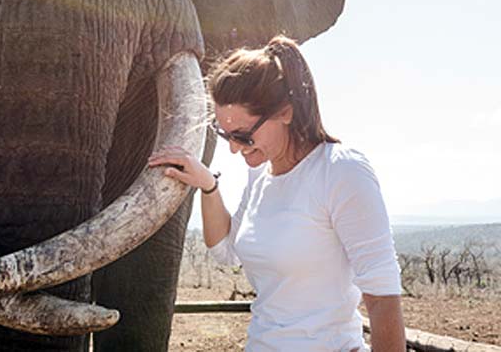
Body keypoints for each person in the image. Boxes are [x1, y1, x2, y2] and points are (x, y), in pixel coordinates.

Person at [149, 35, 406, 352]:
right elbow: (226, 251)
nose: (233, 149)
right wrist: (208, 185)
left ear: (285, 112)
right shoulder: (260, 175)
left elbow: (382, 296)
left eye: (243, 136)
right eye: (224, 134)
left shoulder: (341, 171)